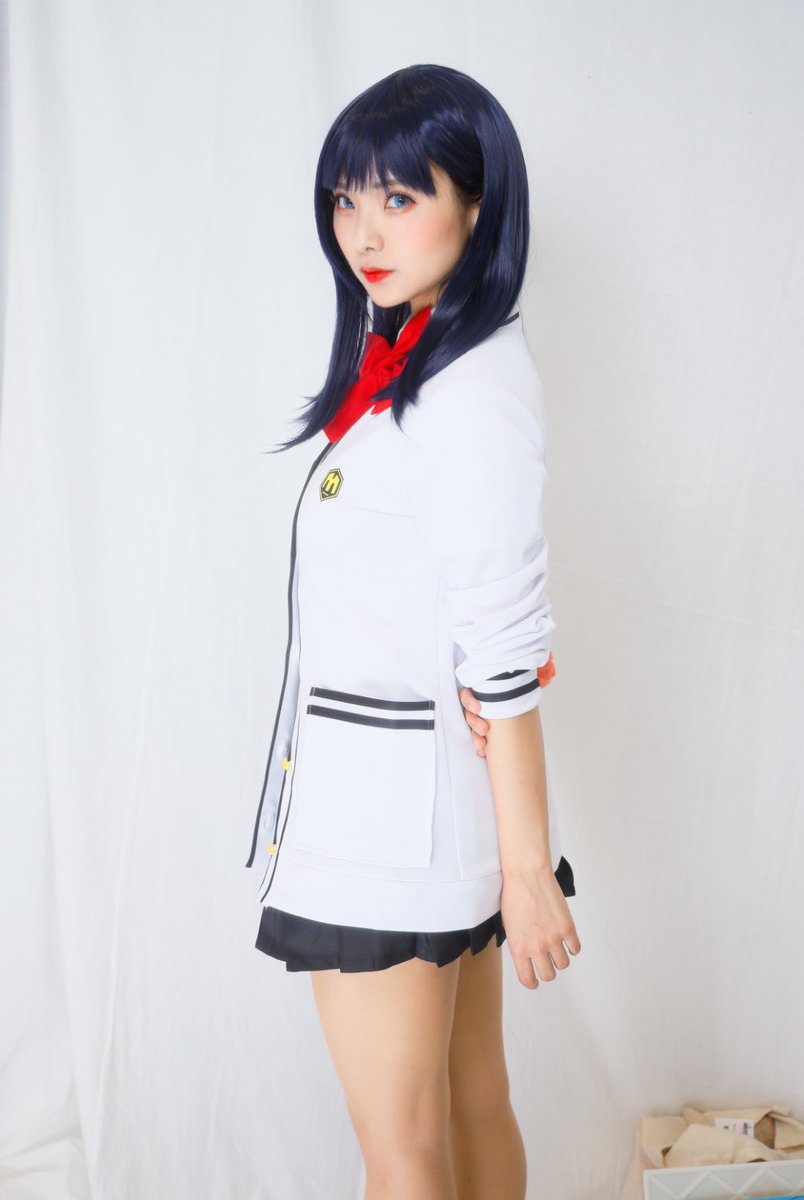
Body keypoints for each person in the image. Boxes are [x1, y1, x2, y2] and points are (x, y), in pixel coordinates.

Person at [246, 63, 582, 1200]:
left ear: (477, 206)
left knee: (402, 1148)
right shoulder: (431, 365)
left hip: (387, 842)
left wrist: (529, 871)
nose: (363, 232)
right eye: (348, 199)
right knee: (469, 1101)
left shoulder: (465, 392)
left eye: (399, 197)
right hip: (425, 812)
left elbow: (506, 649)